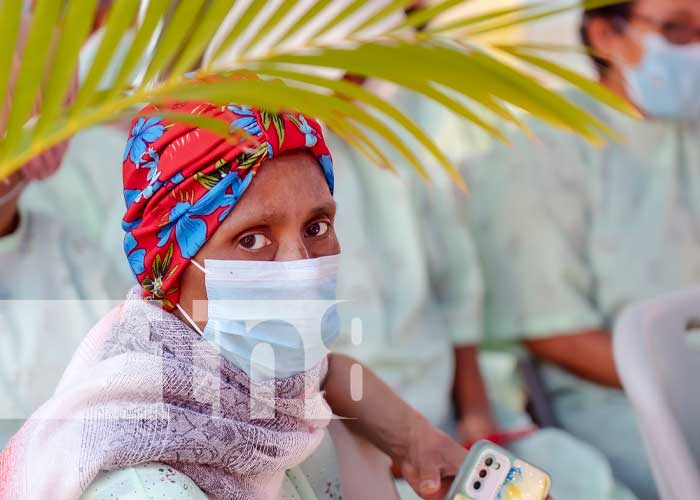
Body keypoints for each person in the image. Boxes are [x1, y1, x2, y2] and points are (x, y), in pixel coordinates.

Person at [0, 100, 468, 500]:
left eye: (317, 227)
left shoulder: (262, 381)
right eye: (251, 239)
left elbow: (325, 372)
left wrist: (415, 440)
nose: (299, 266)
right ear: (174, 267)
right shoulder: (143, 474)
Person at [331, 85, 636, 500]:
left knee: (579, 482)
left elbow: (456, 285)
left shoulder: (396, 125)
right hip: (349, 458)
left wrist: (473, 416)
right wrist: (395, 451)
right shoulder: (263, 151)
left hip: (444, 431)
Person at [462, 1, 700, 499]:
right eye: (678, 30)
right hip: (622, 403)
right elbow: (556, 334)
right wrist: (683, 380)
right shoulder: (538, 149)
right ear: (605, 35)